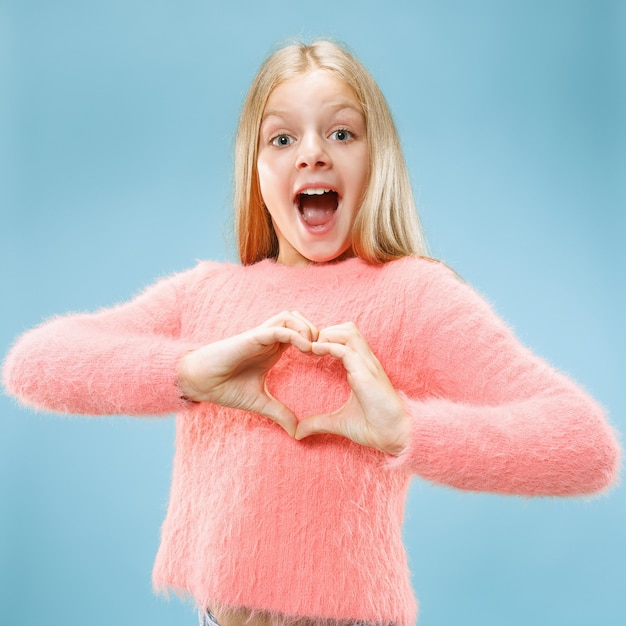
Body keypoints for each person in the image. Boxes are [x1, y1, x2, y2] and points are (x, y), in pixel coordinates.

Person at [2, 40, 620, 626]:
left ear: (375, 159)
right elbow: (35, 362)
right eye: (282, 137)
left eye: (342, 132)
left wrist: (407, 429)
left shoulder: (410, 294)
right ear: (257, 168)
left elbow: (586, 446)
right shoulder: (208, 293)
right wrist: (191, 374)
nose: (312, 152)